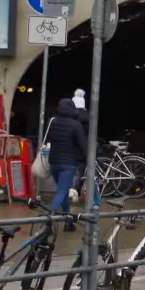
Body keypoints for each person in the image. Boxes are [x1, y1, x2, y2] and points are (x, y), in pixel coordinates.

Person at [44, 97, 88, 229]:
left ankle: (68, 223)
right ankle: (48, 220)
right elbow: (83, 145)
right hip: (68, 164)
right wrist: (88, 160)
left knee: (63, 191)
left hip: (54, 163)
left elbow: (48, 139)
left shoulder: (52, 122)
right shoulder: (75, 124)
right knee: (62, 192)